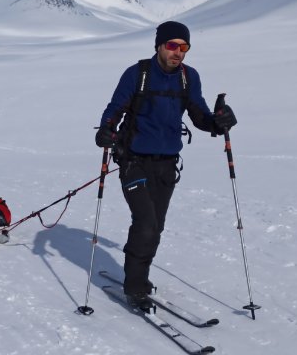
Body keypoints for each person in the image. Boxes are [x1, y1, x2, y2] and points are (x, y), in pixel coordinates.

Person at [94, 21, 237, 312]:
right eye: (172, 46)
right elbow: (115, 109)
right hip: (134, 162)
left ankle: (140, 279)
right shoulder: (138, 74)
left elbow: (199, 114)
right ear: (159, 45)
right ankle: (134, 288)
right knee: (145, 225)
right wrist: (106, 130)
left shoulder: (188, 78)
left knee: (155, 227)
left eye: (184, 47)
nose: (178, 53)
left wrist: (217, 123)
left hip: (167, 164)